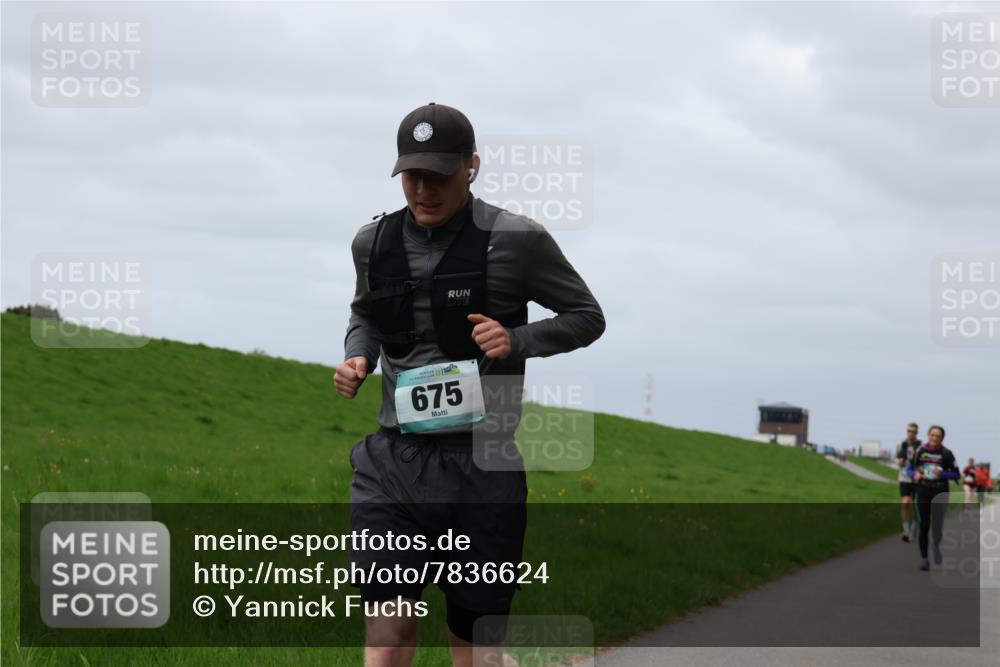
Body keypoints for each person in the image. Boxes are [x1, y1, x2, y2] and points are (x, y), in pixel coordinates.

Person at [334, 102, 605, 667]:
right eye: (413, 176)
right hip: (394, 463)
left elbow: (587, 316)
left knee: (475, 650)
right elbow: (365, 314)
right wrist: (357, 356)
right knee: (389, 631)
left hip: (484, 466)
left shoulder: (518, 240)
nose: (424, 190)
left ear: (471, 166)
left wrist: (517, 339)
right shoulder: (372, 242)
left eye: (440, 175)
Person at [908, 425, 960, 571]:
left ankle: (936, 546)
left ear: (942, 438)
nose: (934, 438)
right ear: (928, 435)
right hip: (923, 490)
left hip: (940, 491)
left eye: (938, 436)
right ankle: (924, 559)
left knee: (937, 526)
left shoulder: (946, 453)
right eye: (932, 435)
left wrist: (942, 474)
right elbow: (909, 468)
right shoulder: (920, 451)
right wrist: (914, 475)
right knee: (924, 525)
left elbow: (957, 474)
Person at [896, 423, 921, 542]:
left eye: (914, 432)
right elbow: (898, 461)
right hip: (904, 478)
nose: (911, 433)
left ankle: (914, 527)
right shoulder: (901, 445)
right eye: (909, 431)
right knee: (905, 502)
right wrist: (900, 462)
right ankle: (905, 530)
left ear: (917, 433)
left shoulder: (921, 446)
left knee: (916, 506)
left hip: (917, 479)